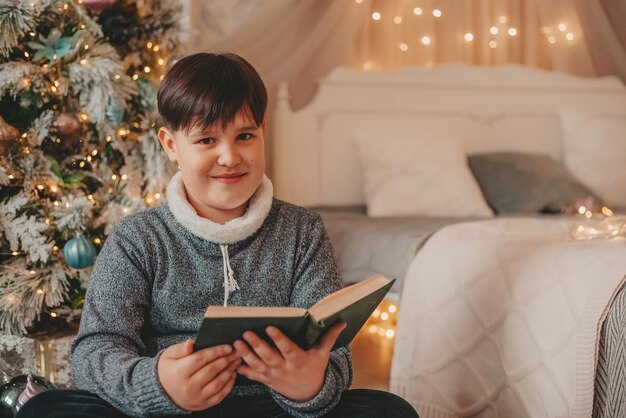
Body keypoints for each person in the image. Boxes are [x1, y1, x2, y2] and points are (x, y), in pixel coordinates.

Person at [20, 53, 419, 418]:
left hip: (272, 405)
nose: (229, 157)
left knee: (391, 410)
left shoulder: (303, 231)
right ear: (171, 145)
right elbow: (95, 350)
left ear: (263, 131)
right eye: (207, 140)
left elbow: (335, 354)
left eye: (245, 136)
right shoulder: (136, 238)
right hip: (168, 408)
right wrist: (158, 384)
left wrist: (310, 385)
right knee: (47, 410)